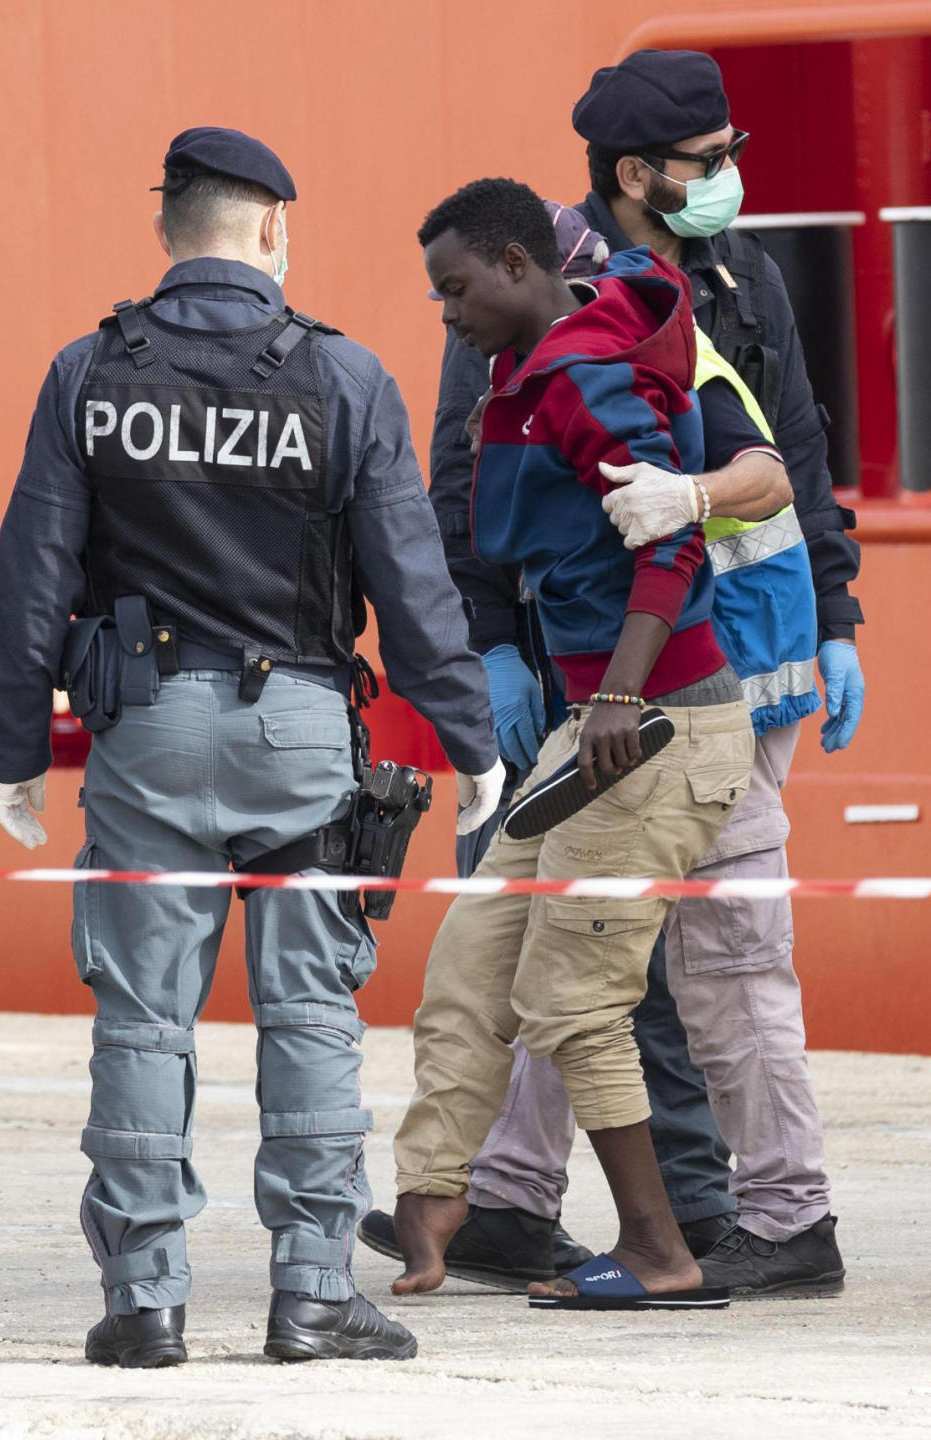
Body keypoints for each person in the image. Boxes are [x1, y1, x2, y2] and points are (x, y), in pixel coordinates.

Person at [0, 126, 503, 1367]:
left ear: (168, 231)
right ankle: (313, 1290)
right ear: (275, 230)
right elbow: (414, 591)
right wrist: (472, 744)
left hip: (148, 733)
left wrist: (11, 754)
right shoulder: (346, 376)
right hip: (305, 734)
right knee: (313, 1015)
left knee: (142, 1023)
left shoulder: (88, 373)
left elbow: (26, 585)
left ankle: (145, 1300)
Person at [363, 48, 862, 1299]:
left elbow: (790, 447)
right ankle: (510, 1200)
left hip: (711, 665)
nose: (733, 179)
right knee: (544, 946)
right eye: (712, 162)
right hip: (600, 674)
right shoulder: (540, 281)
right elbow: (468, 479)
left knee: (707, 958)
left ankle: (772, 1219)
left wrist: (837, 612)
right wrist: (488, 647)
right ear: (639, 173)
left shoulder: (728, 286)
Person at [389, 176, 756, 1312]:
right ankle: (436, 1201)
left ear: (515, 265)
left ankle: (659, 1250)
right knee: (470, 959)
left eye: (454, 290)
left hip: (655, 727)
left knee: (576, 999)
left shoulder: (585, 377)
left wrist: (620, 694)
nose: (444, 314)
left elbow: (673, 543)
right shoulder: (539, 361)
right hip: (593, 731)